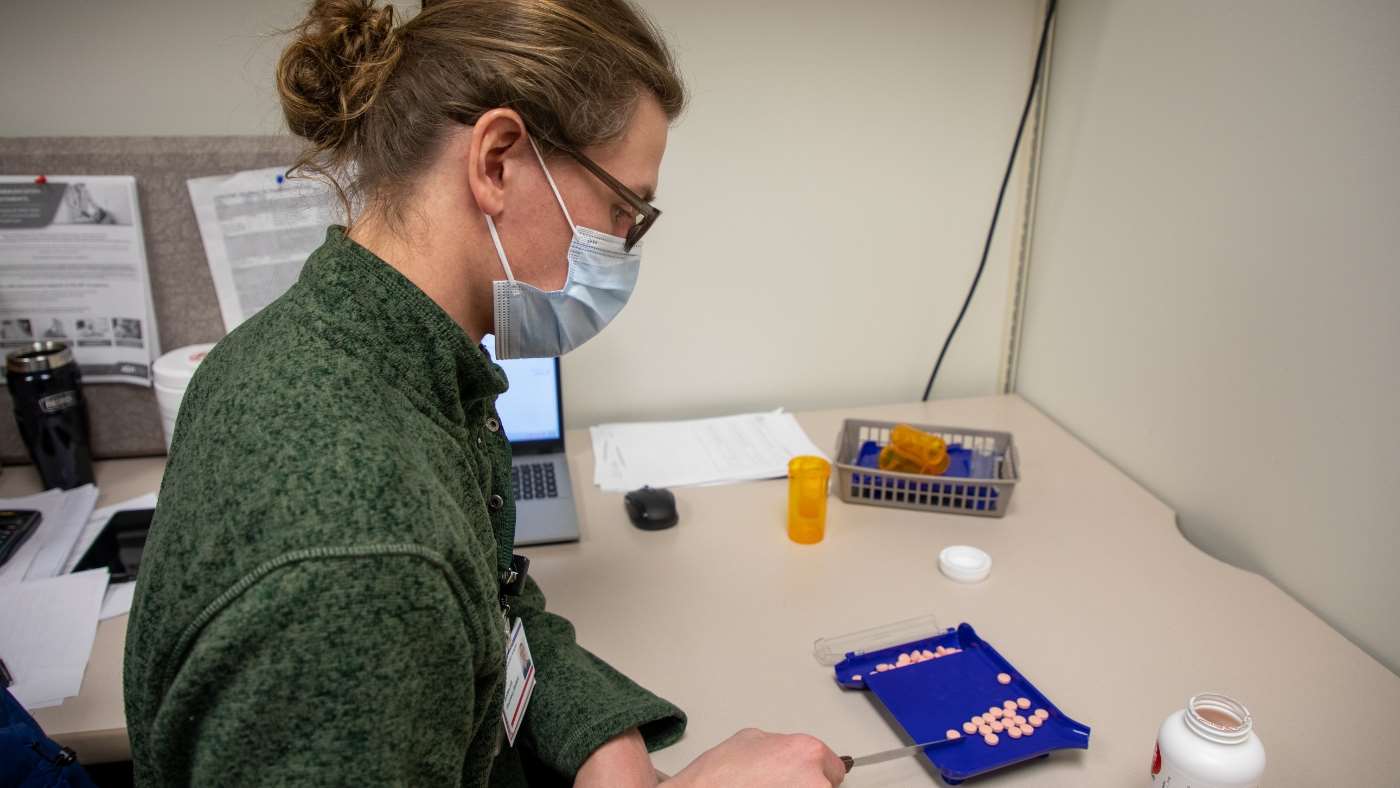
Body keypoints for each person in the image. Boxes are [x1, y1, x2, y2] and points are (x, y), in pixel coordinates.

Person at [123, 1, 847, 786]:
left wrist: (595, 734)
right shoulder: (364, 554)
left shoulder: (352, 353)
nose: (623, 245)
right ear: (498, 161)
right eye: (623, 210)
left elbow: (489, 608)